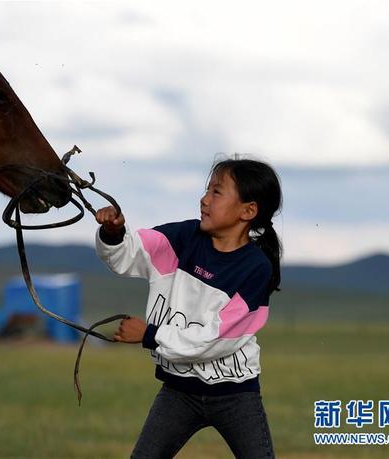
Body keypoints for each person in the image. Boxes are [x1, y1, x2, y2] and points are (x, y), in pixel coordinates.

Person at [94, 157, 282, 458]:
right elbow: (130, 253)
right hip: (178, 392)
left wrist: (150, 335)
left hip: (235, 394)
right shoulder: (182, 238)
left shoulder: (255, 268)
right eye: (207, 189)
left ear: (248, 211)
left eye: (217, 192)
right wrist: (114, 234)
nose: (204, 199)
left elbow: (217, 340)